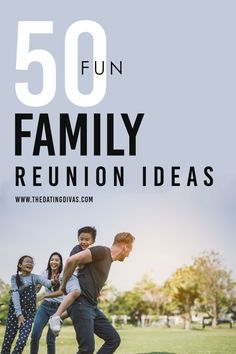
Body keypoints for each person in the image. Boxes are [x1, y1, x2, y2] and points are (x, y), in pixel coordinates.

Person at [59, 232, 135, 354]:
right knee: (86, 350)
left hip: (93, 307)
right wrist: (63, 286)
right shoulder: (102, 251)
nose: (128, 255)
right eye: (129, 251)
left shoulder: (108, 261)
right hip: (81, 304)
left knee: (113, 339)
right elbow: (71, 260)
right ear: (125, 247)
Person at [1, 255, 58, 354]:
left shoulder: (35, 278)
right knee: (7, 342)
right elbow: (15, 295)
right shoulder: (15, 278)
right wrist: (19, 314)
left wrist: (53, 282)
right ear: (20, 265)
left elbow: (48, 283)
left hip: (28, 315)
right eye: (27, 261)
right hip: (14, 313)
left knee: (22, 342)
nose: (30, 264)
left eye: (31, 262)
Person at [48, 226, 96, 336]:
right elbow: (79, 264)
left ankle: (56, 318)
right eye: (81, 239)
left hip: (75, 278)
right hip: (69, 276)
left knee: (75, 305)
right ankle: (56, 316)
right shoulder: (77, 249)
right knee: (76, 292)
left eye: (87, 239)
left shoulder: (92, 251)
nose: (83, 242)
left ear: (93, 241)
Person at [30, 252, 63, 354]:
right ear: (49, 261)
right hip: (45, 307)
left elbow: (60, 292)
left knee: (50, 339)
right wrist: (33, 287)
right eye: (52, 259)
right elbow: (37, 288)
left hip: (58, 309)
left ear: (60, 263)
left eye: (56, 260)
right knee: (35, 334)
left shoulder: (63, 274)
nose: (54, 262)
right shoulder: (44, 273)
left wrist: (43, 295)